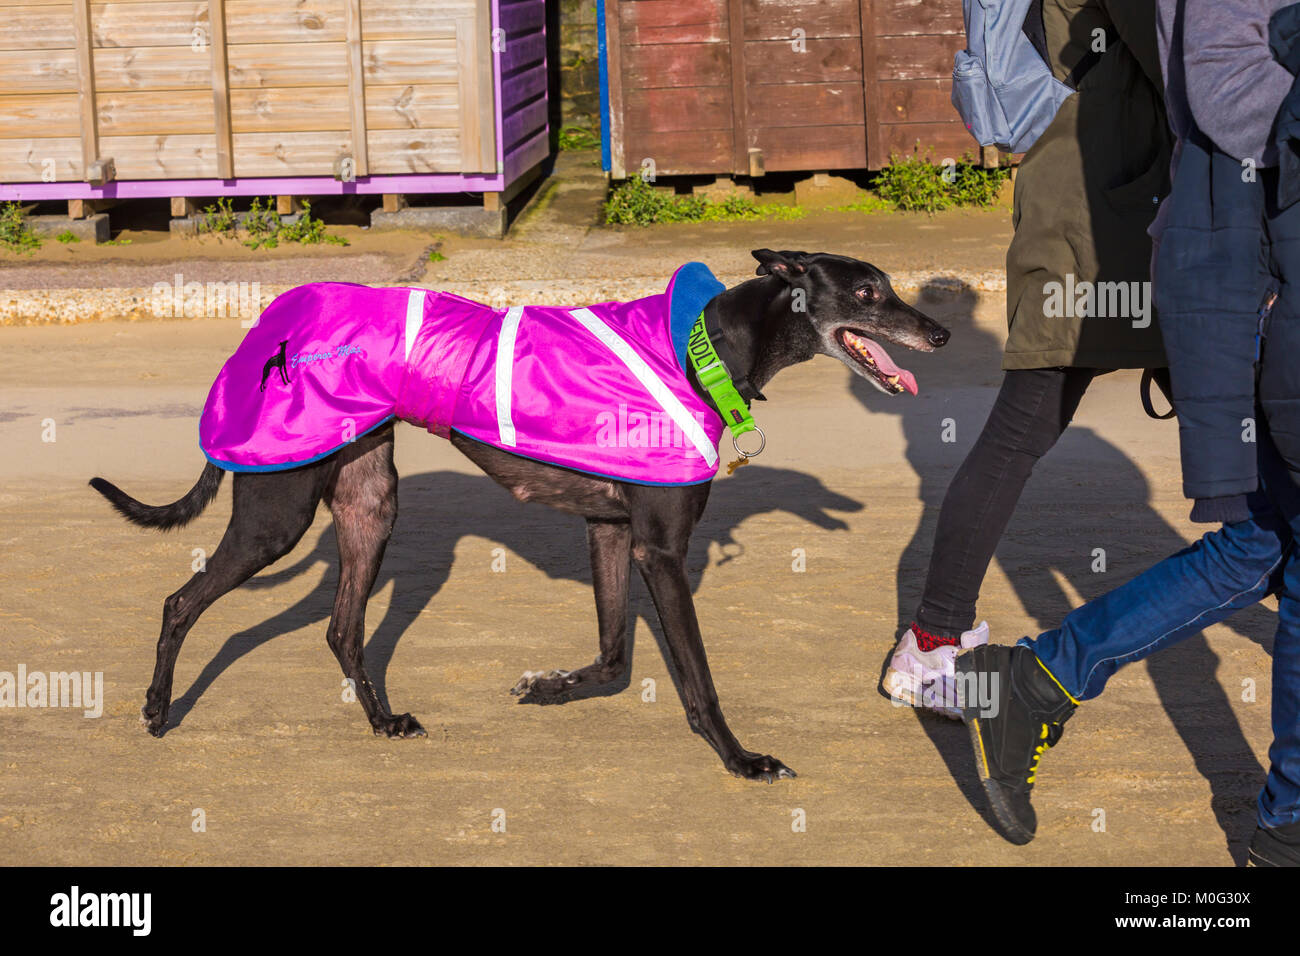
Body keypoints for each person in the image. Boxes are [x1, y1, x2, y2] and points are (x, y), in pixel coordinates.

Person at [957, 0, 1300, 866]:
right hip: (1228, 263)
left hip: (1233, 254)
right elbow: (1224, 91)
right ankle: (1288, 823)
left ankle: (1039, 677)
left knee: (1262, 542)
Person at [884, 0, 1172, 714]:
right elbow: (1185, 64)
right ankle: (929, 644)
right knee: (1021, 432)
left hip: (1114, 209)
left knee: (1255, 429)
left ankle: (931, 641)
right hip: (1100, 223)